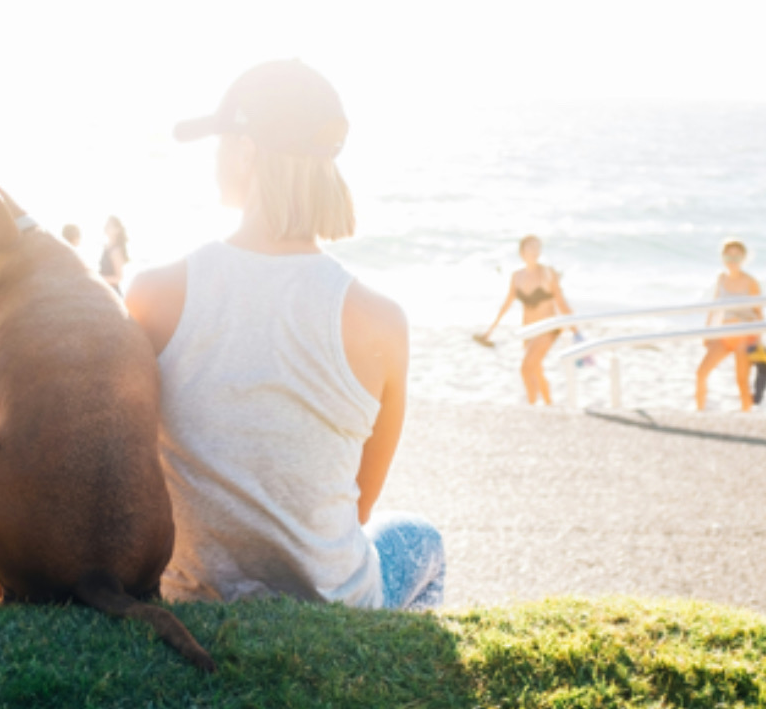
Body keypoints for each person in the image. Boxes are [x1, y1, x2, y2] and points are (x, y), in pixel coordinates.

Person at [126, 59, 443, 610]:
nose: (217, 156)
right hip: (334, 603)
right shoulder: (381, 321)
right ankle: (391, 673)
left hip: (191, 596)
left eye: (221, 141)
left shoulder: (154, 293)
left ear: (247, 151)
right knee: (423, 540)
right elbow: (359, 508)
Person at [475, 235, 574, 405]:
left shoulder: (548, 273)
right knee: (535, 369)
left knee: (526, 368)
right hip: (528, 329)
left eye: (538, 248)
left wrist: (576, 330)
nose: (535, 251)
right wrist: (490, 331)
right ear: (522, 251)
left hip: (548, 328)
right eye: (531, 247)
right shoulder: (517, 276)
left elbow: (561, 302)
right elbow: (506, 305)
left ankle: (532, 407)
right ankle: (549, 405)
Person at [697, 239, 762, 411]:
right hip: (724, 335)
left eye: (736, 256)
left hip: (743, 337)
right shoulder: (721, 279)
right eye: (728, 256)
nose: (732, 261)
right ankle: (699, 413)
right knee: (701, 373)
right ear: (723, 257)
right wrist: (707, 333)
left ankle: (746, 417)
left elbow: (758, 314)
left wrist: (756, 340)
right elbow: (714, 307)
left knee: (741, 381)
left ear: (743, 258)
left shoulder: (751, 282)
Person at [99, 215, 130, 293]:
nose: (106, 228)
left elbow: (118, 277)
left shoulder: (116, 250)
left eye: (109, 226)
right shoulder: (106, 247)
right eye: (106, 225)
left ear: (117, 230)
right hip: (104, 290)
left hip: (112, 292)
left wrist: (100, 278)